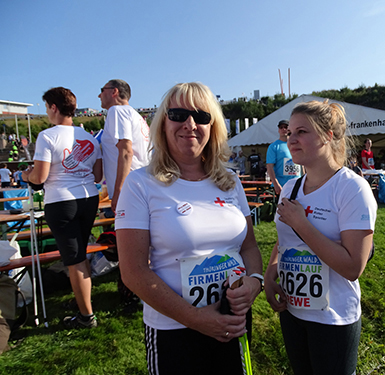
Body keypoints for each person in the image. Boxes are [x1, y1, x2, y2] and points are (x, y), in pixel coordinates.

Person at [115, 82, 263, 375]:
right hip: (174, 330)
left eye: (201, 116)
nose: (190, 125)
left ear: (214, 126)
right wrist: (195, 318)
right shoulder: (140, 184)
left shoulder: (230, 182)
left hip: (232, 321)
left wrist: (255, 282)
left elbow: (248, 247)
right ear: (163, 123)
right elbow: (133, 271)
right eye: (178, 114)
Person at [264, 100, 377, 375]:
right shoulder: (290, 187)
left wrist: (303, 224)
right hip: (293, 312)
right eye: (289, 133)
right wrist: (270, 272)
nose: (292, 140)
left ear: (328, 135)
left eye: (302, 132)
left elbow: (353, 267)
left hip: (334, 318)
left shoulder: (352, 189)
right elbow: (284, 240)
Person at [22, 87, 102, 328]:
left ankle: (86, 317)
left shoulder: (47, 136)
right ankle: (84, 304)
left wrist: (27, 176)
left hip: (61, 201)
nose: (46, 113)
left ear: (54, 107)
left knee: (74, 259)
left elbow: (40, 176)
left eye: (47, 108)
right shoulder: (88, 136)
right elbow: (97, 175)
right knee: (80, 255)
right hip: (89, 197)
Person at [98, 79, 150, 213]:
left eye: (102, 90)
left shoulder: (117, 111)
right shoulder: (137, 116)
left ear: (114, 91)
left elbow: (126, 152)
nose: (99, 96)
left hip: (130, 187)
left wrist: (119, 191)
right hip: (143, 183)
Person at [266, 119, 302, 195]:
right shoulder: (274, 146)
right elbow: (269, 166)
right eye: (281, 127)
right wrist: (276, 184)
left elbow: (302, 164)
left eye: (285, 127)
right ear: (278, 130)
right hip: (282, 186)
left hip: (297, 184)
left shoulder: (297, 144)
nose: (283, 129)